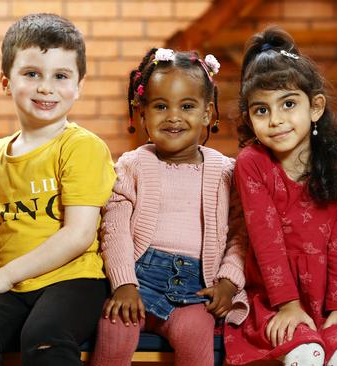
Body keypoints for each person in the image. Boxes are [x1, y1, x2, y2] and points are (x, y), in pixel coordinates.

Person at [0, 13, 116, 366]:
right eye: (32, 73)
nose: (45, 87)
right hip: (15, 287)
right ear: (6, 82)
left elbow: (79, 235)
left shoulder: (81, 147)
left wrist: (4, 276)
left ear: (79, 85)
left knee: (44, 337)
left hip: (74, 279)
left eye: (61, 76)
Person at [90, 48, 249, 366]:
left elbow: (241, 234)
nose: (174, 116)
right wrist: (123, 284)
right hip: (138, 280)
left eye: (187, 106)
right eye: (161, 106)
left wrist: (228, 283)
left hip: (196, 289)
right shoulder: (133, 165)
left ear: (207, 113)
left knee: (196, 338)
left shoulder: (226, 172)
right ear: (142, 113)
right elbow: (115, 228)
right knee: (114, 331)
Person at [224, 27, 337, 366]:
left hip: (331, 294)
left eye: (288, 104)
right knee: (308, 352)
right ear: (249, 116)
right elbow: (265, 240)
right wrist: (288, 304)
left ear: (315, 107)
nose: (276, 120)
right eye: (261, 110)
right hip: (275, 294)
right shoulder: (253, 163)